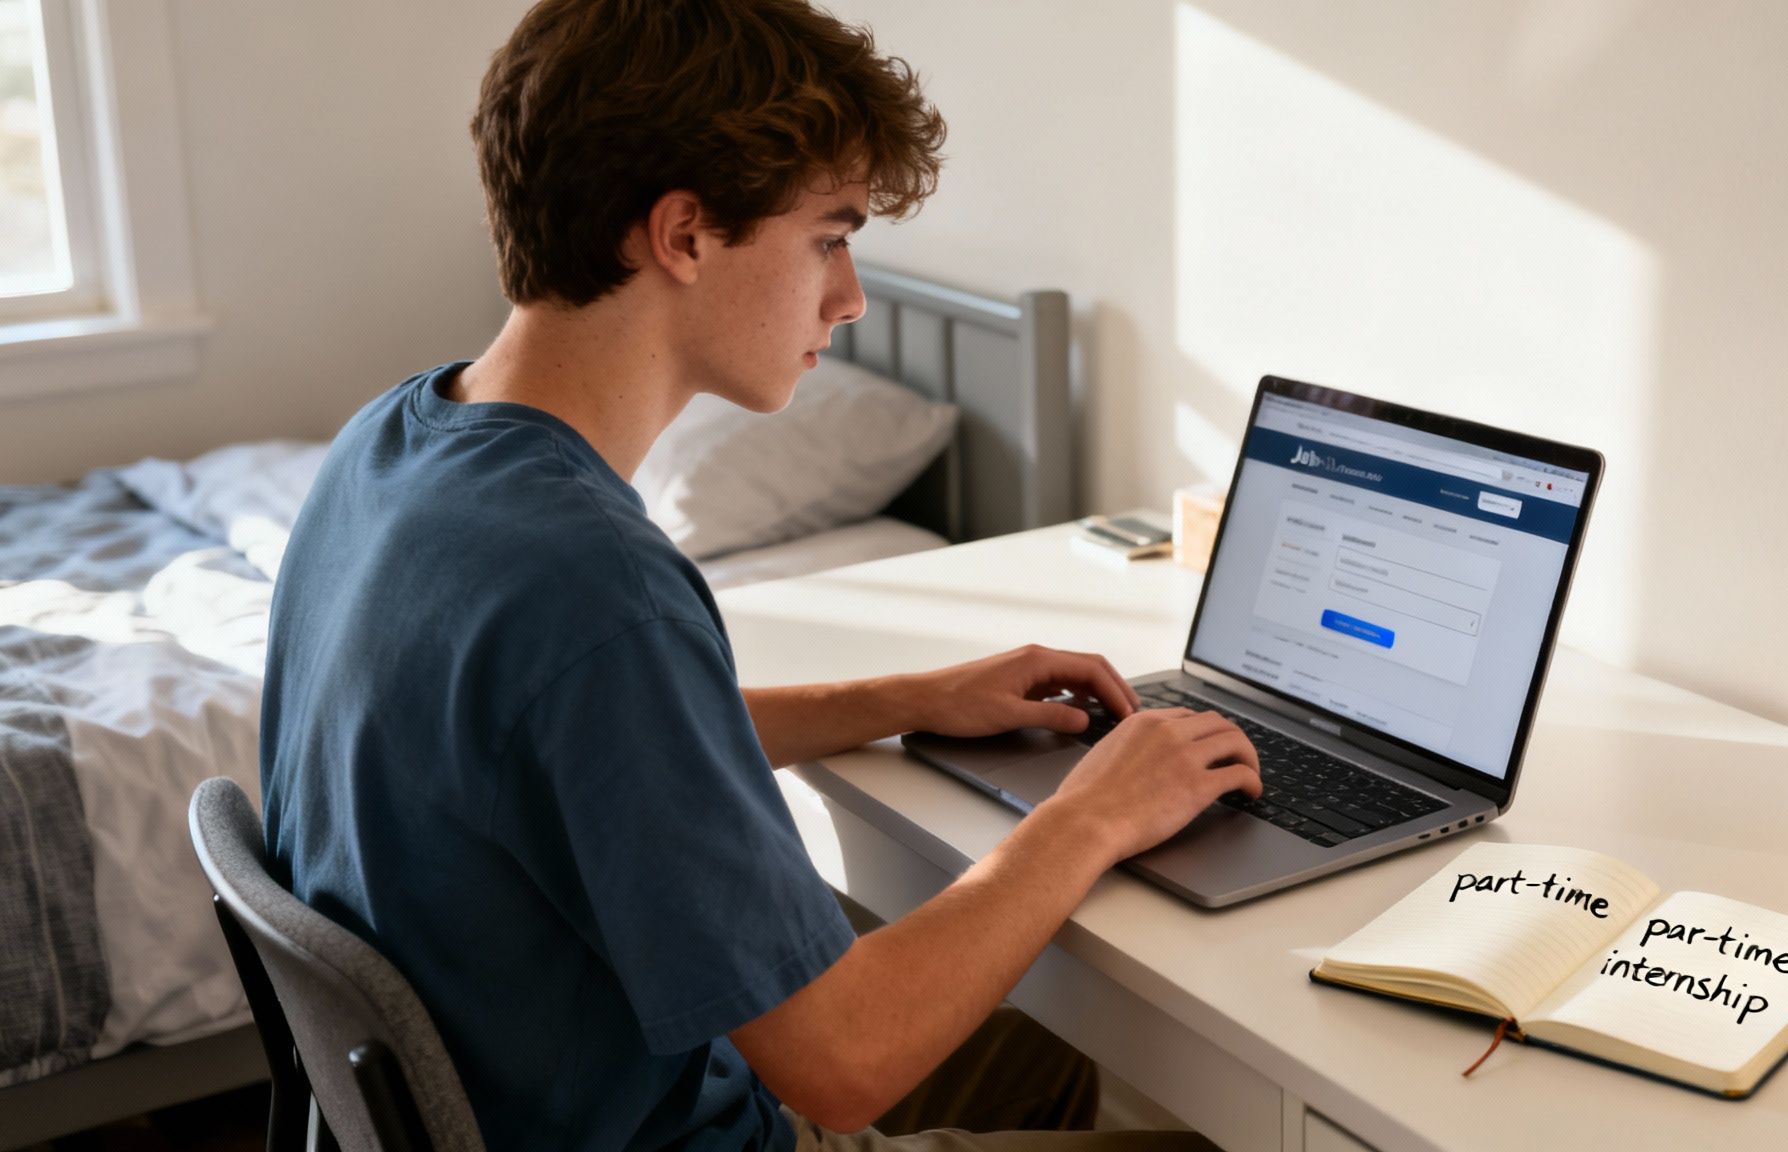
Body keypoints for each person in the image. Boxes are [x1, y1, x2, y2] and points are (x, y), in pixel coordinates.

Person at [259, 2, 1263, 1150]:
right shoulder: (596, 587)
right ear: (683, 235)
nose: (850, 298)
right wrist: (1089, 816)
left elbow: (569, 741)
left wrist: (906, 701)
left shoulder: (391, 444)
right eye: (828, 238)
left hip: (526, 1103)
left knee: (1030, 1026)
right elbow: (840, 1064)